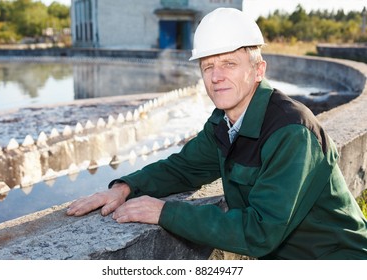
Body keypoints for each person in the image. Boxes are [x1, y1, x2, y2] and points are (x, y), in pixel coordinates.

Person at [67, 8, 367, 259]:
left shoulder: (291, 131)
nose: (216, 77)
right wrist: (125, 188)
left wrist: (165, 213)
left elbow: (260, 231)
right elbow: (183, 168)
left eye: (229, 64)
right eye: (208, 66)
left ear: (258, 70)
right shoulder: (224, 124)